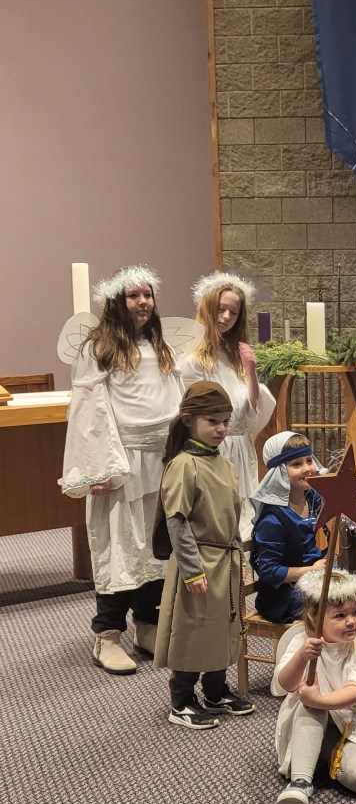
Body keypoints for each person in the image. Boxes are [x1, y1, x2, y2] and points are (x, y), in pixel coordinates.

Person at [60, 265, 184, 675]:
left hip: (160, 459)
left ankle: (147, 622)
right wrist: (98, 467)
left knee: (154, 545)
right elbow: (87, 412)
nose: (143, 302)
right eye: (134, 296)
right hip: (122, 460)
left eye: (148, 295)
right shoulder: (99, 349)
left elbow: (175, 399)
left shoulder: (159, 347)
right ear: (117, 301)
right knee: (119, 544)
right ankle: (107, 634)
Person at [153, 380, 254, 729]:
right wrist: (193, 570)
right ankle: (181, 699)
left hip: (225, 558)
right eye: (212, 421)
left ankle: (214, 690)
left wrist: (241, 560)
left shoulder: (223, 464)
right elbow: (177, 523)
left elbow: (233, 519)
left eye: (225, 421)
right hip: (198, 560)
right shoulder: (184, 465)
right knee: (194, 628)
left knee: (223, 626)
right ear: (188, 421)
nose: (221, 429)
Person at [272, 568, 356, 804]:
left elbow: (355, 692)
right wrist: (302, 657)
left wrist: (321, 699)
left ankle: (320, 754)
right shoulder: (300, 641)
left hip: (348, 725)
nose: (351, 621)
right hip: (307, 720)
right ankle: (300, 783)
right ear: (314, 617)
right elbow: (284, 685)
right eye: (340, 615)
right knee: (310, 705)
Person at [182, 272, 276, 541]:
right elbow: (189, 409)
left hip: (240, 445)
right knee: (215, 516)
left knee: (244, 514)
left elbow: (253, 408)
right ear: (207, 308)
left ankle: (243, 577)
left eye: (233, 312)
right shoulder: (192, 359)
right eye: (220, 309)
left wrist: (251, 370)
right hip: (212, 447)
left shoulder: (234, 355)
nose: (225, 317)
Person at [250, 431, 326, 623]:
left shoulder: (312, 498)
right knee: (338, 608)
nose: (308, 468)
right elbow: (269, 571)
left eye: (309, 460)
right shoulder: (272, 520)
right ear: (280, 472)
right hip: (283, 597)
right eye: (296, 464)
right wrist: (310, 571)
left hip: (314, 578)